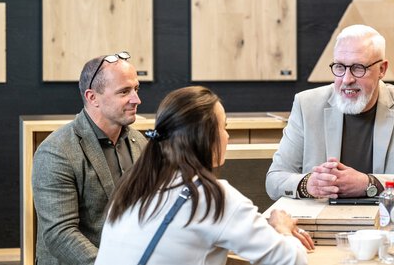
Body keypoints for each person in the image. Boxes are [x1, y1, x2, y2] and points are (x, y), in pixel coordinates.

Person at [95, 86, 312, 265]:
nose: (227, 136)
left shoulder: (134, 185)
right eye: (224, 127)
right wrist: (282, 228)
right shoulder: (211, 196)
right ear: (206, 137)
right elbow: (292, 260)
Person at [266, 24, 394, 206]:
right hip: (321, 225)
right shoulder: (307, 105)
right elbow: (274, 180)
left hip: (387, 227)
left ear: (382, 69)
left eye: (358, 68)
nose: (347, 79)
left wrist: (369, 184)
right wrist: (308, 184)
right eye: (340, 67)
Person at [32, 52, 148, 265]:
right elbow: (60, 234)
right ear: (92, 97)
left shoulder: (140, 142)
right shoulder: (56, 151)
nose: (136, 99)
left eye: (136, 89)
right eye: (124, 91)